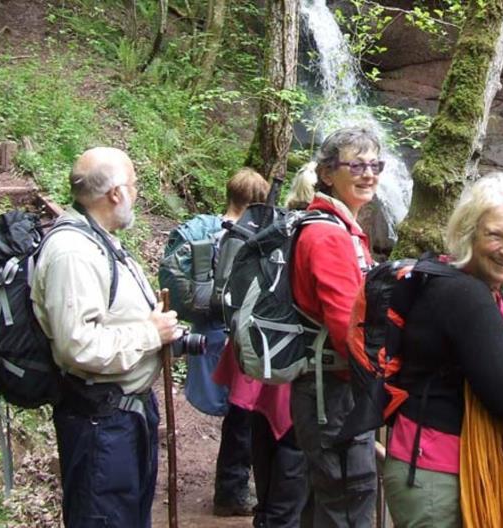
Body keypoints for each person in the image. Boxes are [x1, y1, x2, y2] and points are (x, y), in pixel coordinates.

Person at [381, 172, 503, 527]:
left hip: (422, 464)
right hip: (437, 477)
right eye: (495, 235)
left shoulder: (453, 279)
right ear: (468, 233)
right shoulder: (466, 295)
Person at [31, 147, 180, 527]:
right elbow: (78, 345)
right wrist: (150, 333)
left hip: (124, 417)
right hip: (100, 424)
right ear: (116, 193)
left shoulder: (100, 240)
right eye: (134, 185)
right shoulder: (73, 253)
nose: (137, 192)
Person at [211, 164, 317, 527]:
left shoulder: (272, 227)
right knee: (286, 441)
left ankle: (246, 500)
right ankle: (262, 507)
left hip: (255, 346)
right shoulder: (308, 235)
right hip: (284, 352)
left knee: (253, 426)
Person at [287, 127, 382, 527]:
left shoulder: (336, 227)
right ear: (327, 173)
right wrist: (388, 377)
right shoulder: (328, 236)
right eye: (356, 165)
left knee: (329, 501)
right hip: (335, 395)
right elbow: (348, 329)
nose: (368, 174)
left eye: (375, 165)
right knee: (347, 501)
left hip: (328, 390)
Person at [200, 168, 270, 517]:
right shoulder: (243, 235)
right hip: (243, 338)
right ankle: (230, 491)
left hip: (229, 334)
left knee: (240, 414)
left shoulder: (222, 231)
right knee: (242, 415)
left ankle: (234, 485)